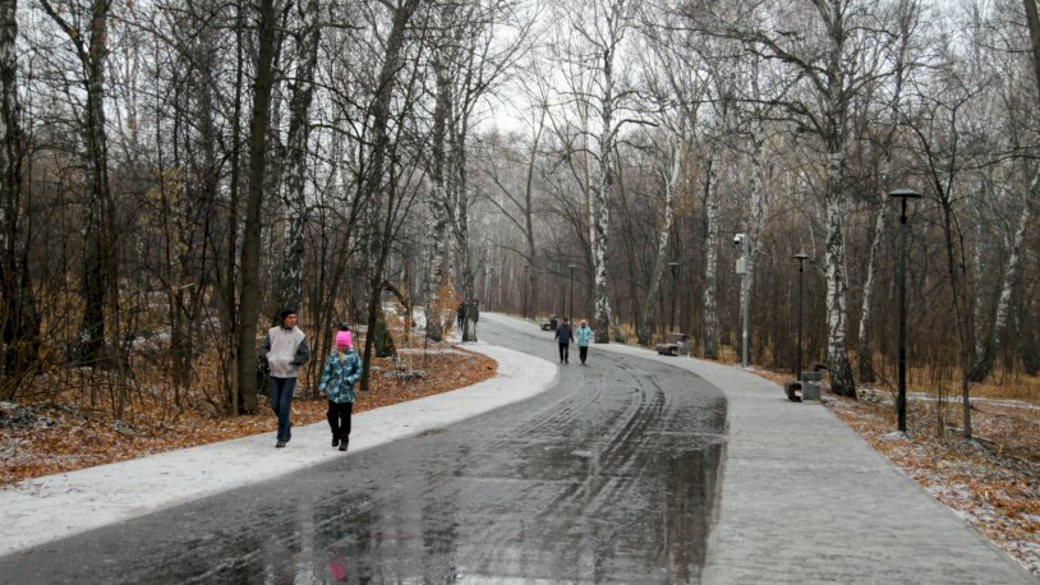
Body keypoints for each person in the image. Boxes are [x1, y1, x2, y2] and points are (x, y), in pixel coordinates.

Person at [258, 307, 310, 448]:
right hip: (274, 373)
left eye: (294, 317)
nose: (293, 320)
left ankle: (282, 437)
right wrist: (269, 357)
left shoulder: (299, 335)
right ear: (284, 319)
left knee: (284, 406)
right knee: (275, 404)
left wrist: (291, 359)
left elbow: (305, 355)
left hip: (289, 375)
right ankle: (286, 423)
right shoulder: (273, 332)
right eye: (290, 317)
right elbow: (263, 348)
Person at [317, 328, 363, 452]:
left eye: (343, 345)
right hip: (333, 393)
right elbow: (327, 372)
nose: (341, 347)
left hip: (347, 394)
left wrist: (349, 380)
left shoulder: (354, 356)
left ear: (347, 344)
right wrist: (322, 387)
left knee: (345, 417)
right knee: (331, 415)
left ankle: (344, 439)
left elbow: (359, 372)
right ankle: (335, 433)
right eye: (339, 345)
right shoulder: (333, 356)